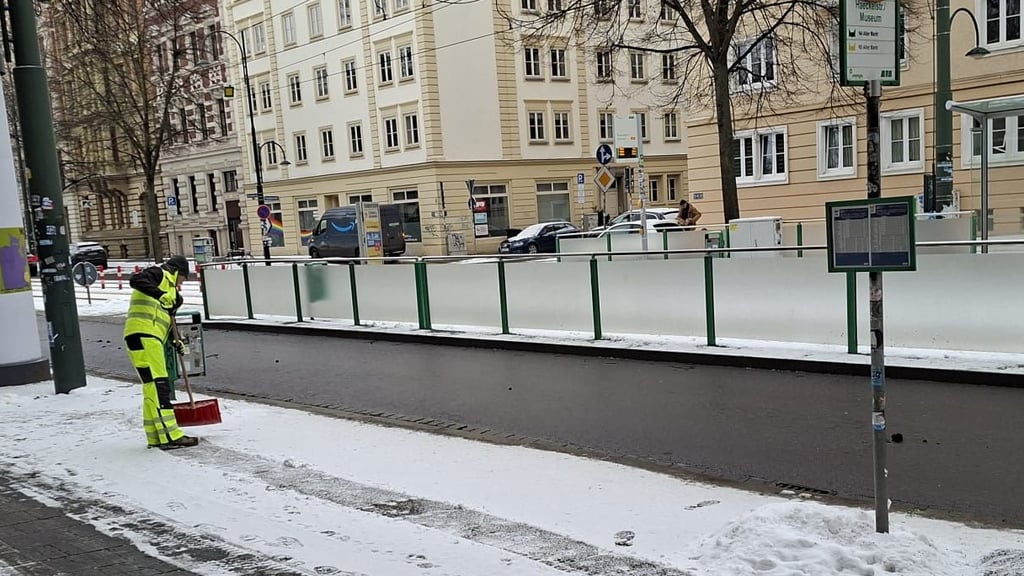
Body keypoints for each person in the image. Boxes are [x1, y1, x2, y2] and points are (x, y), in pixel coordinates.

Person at [123, 255, 199, 450]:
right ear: (177, 272)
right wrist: (159, 294)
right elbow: (135, 280)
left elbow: (169, 323)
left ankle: (155, 436)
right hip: (143, 334)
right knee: (159, 385)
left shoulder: (175, 296)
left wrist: (176, 341)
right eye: (183, 278)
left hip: (147, 338)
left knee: (151, 386)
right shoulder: (158, 274)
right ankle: (171, 436)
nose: (182, 283)